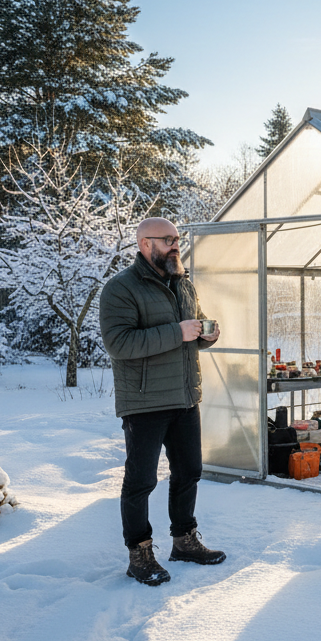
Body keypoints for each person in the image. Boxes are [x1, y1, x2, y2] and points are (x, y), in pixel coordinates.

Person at [99, 217, 227, 586]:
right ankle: (139, 553)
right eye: (168, 239)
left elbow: (193, 327)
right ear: (145, 244)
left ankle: (184, 541)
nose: (176, 245)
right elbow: (119, 343)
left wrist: (206, 334)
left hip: (184, 396)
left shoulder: (182, 284)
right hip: (145, 402)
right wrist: (178, 332)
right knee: (141, 481)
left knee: (189, 472)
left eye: (177, 239)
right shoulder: (121, 288)